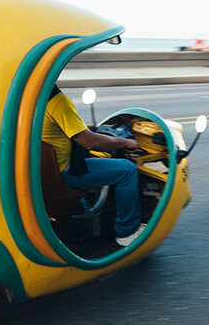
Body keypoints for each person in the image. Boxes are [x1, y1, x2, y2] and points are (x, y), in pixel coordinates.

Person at [42, 86, 146, 247]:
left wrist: (85, 129)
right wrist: (125, 142)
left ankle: (88, 208)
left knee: (86, 157)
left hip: (44, 172)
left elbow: (54, 129)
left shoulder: (34, 101)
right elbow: (90, 142)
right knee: (127, 170)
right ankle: (127, 232)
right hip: (65, 173)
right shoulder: (57, 102)